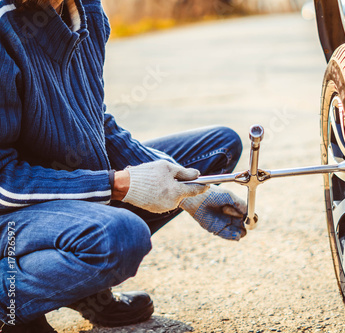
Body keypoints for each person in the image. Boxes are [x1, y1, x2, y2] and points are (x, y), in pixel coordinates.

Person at [0, 0, 248, 332]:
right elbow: (3, 182)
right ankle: (12, 301)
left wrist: (193, 194)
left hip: (65, 197)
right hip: (11, 218)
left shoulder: (87, 10)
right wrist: (119, 184)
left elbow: (99, 127)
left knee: (218, 147)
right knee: (121, 237)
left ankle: (85, 291)